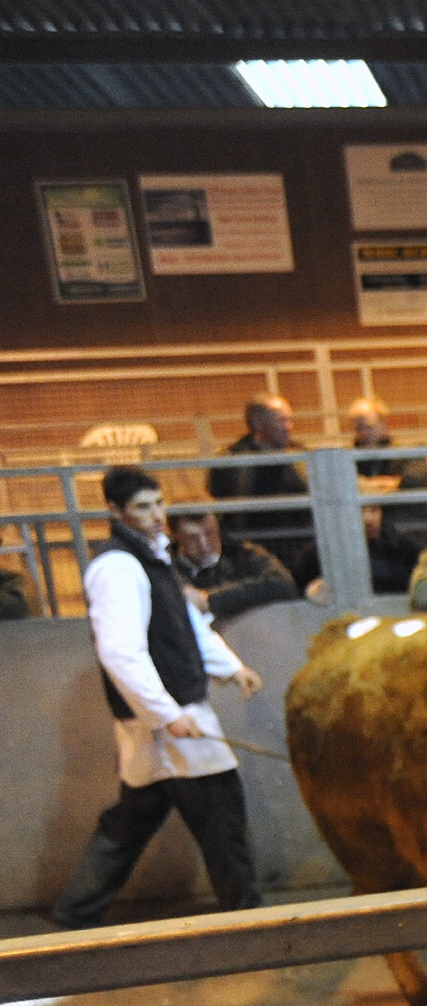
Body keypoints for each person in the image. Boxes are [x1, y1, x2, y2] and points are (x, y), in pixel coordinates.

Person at [53, 466, 264, 926]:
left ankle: (74, 915)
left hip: (160, 714)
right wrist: (166, 714)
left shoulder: (152, 558)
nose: (155, 515)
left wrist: (231, 667)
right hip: (168, 715)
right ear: (115, 511)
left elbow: (184, 623)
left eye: (158, 503)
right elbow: (120, 652)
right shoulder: (117, 567)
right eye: (142, 507)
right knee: (221, 814)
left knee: (132, 822)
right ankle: (248, 919)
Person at [206, 393, 315, 586]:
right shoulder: (229, 461)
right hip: (255, 547)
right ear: (257, 422)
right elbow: (218, 505)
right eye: (281, 420)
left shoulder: (300, 454)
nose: (289, 426)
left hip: (302, 546)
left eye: (289, 419)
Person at [347, 397, 427, 593]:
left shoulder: (406, 453)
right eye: (357, 427)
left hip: (406, 540)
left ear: (384, 424)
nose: (362, 433)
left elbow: (412, 482)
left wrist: (363, 487)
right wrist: (386, 485)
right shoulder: (350, 459)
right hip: (368, 546)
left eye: (368, 425)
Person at [170, 510, 297, 621]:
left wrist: (211, 600)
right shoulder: (166, 563)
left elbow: (284, 584)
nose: (203, 544)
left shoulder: (242, 554)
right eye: (192, 538)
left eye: (210, 534)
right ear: (175, 535)